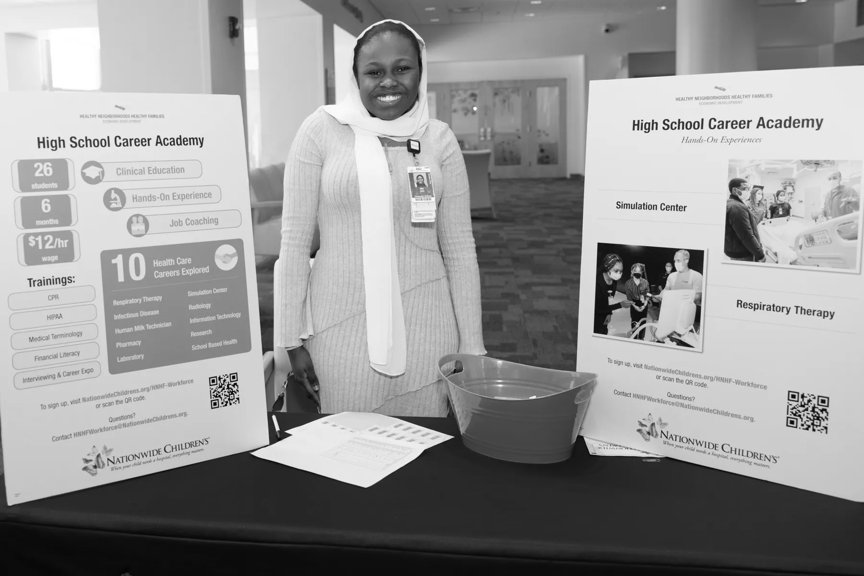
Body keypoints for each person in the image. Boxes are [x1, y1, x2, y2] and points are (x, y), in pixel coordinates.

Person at [276, 20, 485, 417]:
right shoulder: (321, 131)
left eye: (402, 68)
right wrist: (291, 339)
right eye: (374, 71)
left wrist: (472, 344)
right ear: (356, 78)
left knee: (425, 455)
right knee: (342, 455)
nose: (388, 81)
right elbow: (294, 243)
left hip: (429, 325)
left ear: (420, 72)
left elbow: (459, 248)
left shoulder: (438, 139)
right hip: (337, 326)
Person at [725, 178, 765, 262]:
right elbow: (746, 235)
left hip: (737, 249)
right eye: (744, 188)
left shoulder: (734, 204)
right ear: (735, 190)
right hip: (743, 253)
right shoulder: (737, 207)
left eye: (748, 189)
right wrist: (760, 254)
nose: (748, 191)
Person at [594, 253, 631, 335]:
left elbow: (610, 299)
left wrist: (609, 313)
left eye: (621, 271)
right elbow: (598, 308)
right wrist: (620, 305)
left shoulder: (613, 281)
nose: (619, 274)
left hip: (604, 318)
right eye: (616, 271)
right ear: (607, 268)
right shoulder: (596, 283)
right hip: (594, 318)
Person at [623, 262, 649, 340]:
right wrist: (635, 307)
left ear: (641, 272)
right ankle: (634, 336)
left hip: (644, 304)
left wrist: (644, 305)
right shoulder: (628, 283)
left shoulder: (645, 282)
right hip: (634, 304)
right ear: (632, 271)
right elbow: (629, 298)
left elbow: (647, 295)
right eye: (635, 271)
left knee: (643, 323)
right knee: (634, 322)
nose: (637, 273)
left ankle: (641, 338)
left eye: (639, 271)